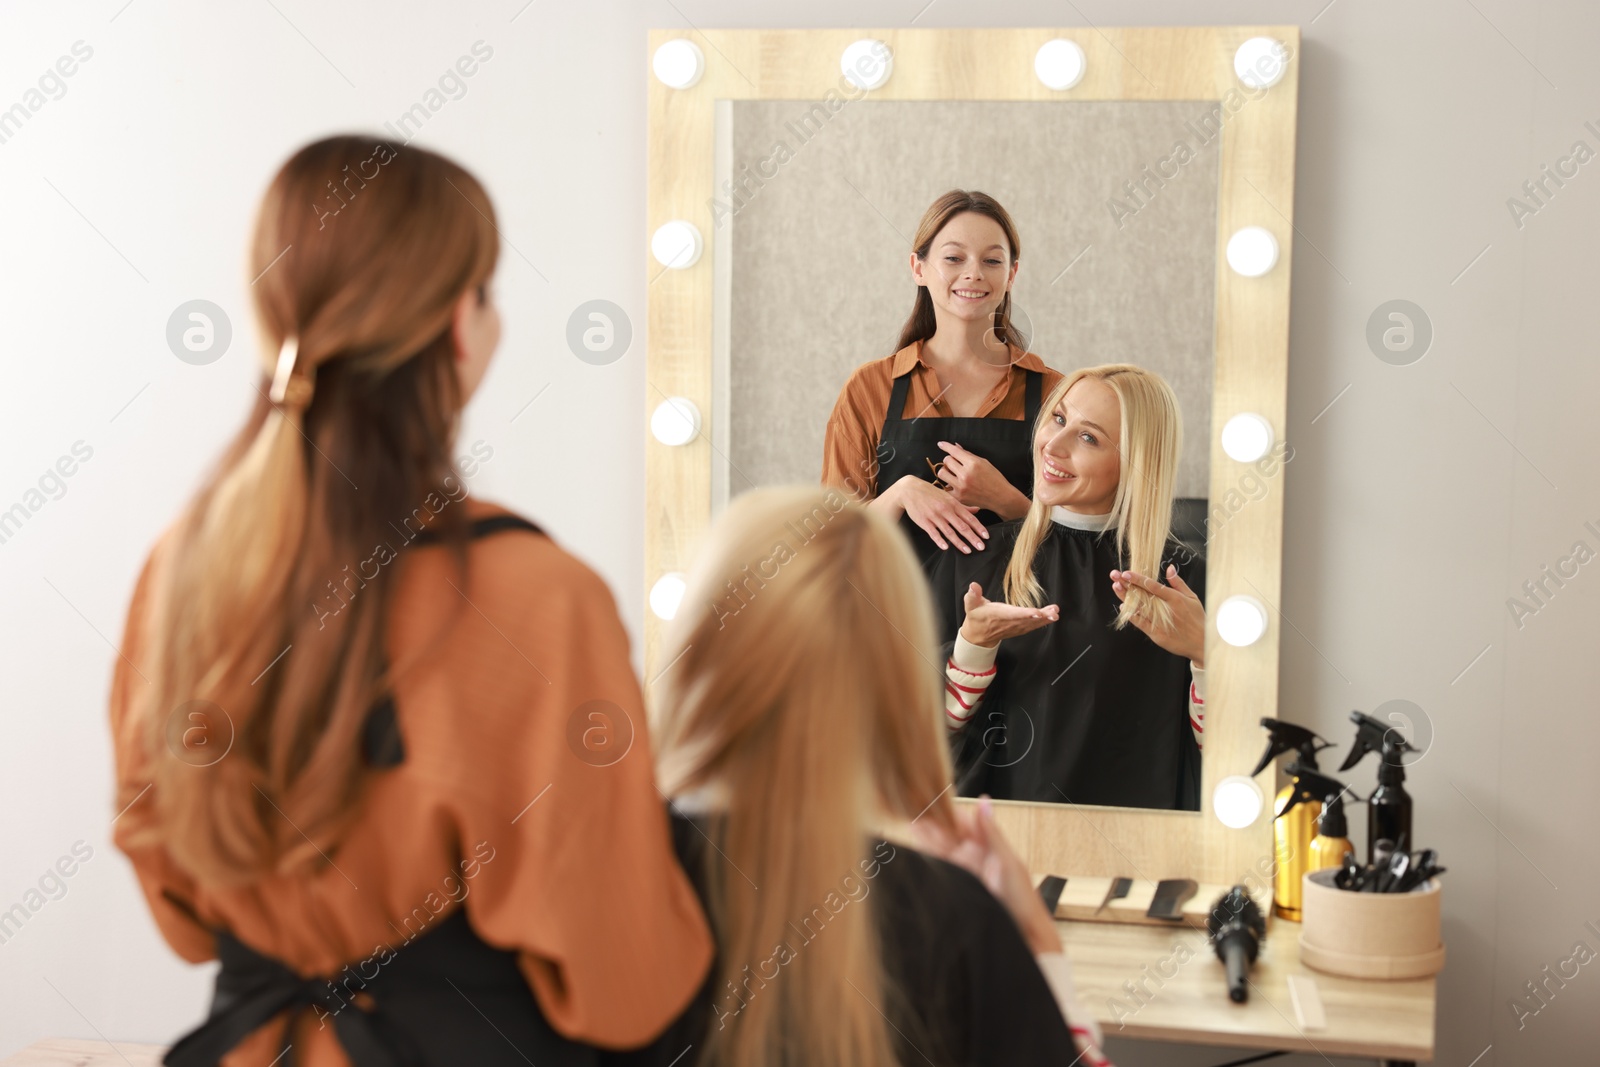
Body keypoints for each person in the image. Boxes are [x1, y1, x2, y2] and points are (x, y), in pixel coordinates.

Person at [107, 135, 712, 1065]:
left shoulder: (180, 572)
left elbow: (182, 915)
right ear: (460, 326)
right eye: (489, 291)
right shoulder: (540, 602)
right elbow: (624, 988)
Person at [607, 485, 1110, 1067]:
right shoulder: (955, 927)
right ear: (894, 675)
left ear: (697, 641)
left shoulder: (587, 885)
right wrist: (1039, 951)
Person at [932, 365, 1208, 810]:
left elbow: (1230, 762)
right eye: (1058, 419)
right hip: (995, 844)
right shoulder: (974, 557)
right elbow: (916, 739)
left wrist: (1205, 656)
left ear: (1136, 462)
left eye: (1088, 438)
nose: (1052, 446)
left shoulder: (1184, 585)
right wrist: (972, 649)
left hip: (1141, 852)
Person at [821, 190, 1064, 573]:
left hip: (1021, 624)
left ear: (1011, 274)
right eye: (953, 258)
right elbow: (832, 540)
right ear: (918, 268)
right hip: (897, 621)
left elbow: (1083, 548)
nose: (974, 273)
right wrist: (901, 494)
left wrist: (1007, 502)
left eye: (992, 260)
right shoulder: (870, 387)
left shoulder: (1055, 394)